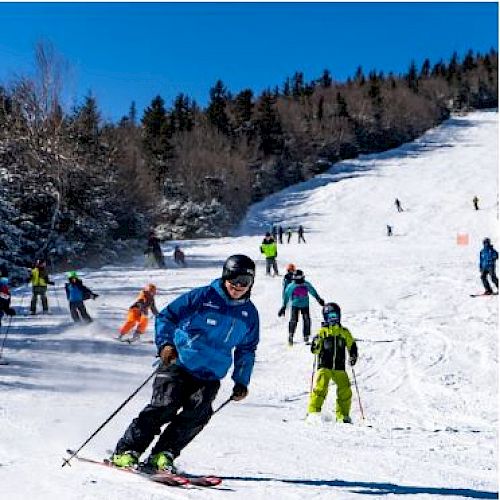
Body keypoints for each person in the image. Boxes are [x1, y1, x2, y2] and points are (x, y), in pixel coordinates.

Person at [110, 255, 259, 472]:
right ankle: (126, 451)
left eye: (244, 282)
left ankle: (163, 454)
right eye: (234, 280)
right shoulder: (202, 297)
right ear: (225, 277)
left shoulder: (250, 314)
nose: (238, 286)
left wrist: (241, 381)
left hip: (210, 374)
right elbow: (167, 317)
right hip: (178, 362)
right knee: (164, 406)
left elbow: (247, 349)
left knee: (197, 414)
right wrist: (165, 345)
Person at [307, 303, 358, 424]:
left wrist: (353, 355)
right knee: (320, 387)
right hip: (324, 365)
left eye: (335, 316)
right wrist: (315, 345)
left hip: (339, 367)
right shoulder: (323, 332)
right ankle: (313, 412)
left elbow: (352, 345)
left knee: (345, 389)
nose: (333, 319)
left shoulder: (344, 332)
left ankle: (343, 415)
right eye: (330, 316)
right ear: (325, 317)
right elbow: (315, 350)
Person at [278, 270, 324, 345]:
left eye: (299, 277)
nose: (298, 279)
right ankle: (291, 335)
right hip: (295, 305)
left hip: (305, 305)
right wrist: (283, 306)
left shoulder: (306, 284)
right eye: (296, 277)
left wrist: (318, 299)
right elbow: (286, 296)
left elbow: (312, 291)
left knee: (307, 320)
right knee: (293, 320)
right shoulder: (291, 286)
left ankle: (306, 336)